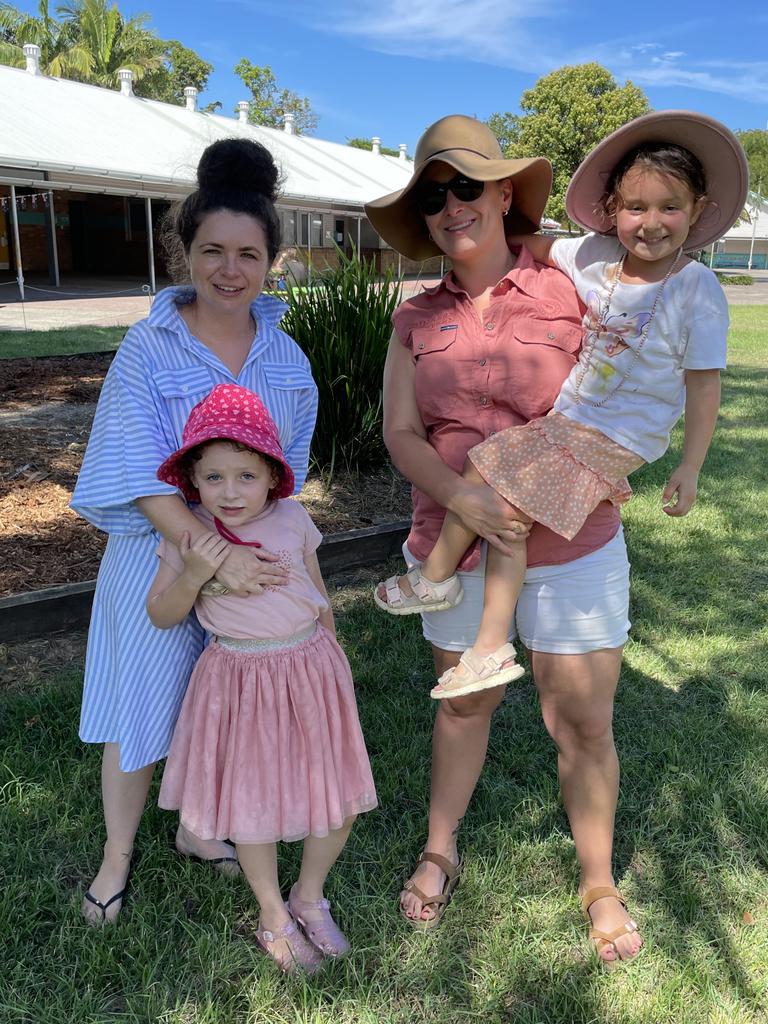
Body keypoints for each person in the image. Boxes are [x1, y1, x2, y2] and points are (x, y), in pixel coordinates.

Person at [365, 113, 646, 963]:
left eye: (467, 186)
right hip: (451, 546)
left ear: (502, 194)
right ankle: (439, 848)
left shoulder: (571, 286)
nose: (454, 206)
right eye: (436, 193)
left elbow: (627, 395)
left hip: (573, 543)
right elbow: (400, 431)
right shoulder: (414, 320)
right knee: (465, 705)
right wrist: (465, 499)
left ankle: (598, 879)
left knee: (583, 723)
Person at [374, 111, 748, 704]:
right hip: (570, 422)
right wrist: (486, 238)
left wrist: (692, 465)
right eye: (635, 208)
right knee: (489, 466)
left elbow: (704, 385)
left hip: (614, 436)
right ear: (613, 210)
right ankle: (448, 591)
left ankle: (471, 624)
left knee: (504, 491)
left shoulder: (694, 289)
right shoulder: (595, 260)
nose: (650, 224)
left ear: (698, 209)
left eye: (669, 208)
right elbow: (541, 243)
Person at [71, 137, 318, 925]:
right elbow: (134, 464)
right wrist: (208, 556)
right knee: (141, 709)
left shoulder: (288, 363)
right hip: (158, 561)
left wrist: (252, 564)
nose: (229, 270)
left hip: (252, 573)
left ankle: (199, 831)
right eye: (211, 249)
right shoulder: (152, 344)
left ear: (271, 259)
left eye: (248, 253)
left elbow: (288, 477)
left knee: (221, 706)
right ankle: (116, 858)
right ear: (186, 250)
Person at [148, 383, 377, 972]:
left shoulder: (294, 518)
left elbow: (316, 590)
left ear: (272, 476)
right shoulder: (191, 535)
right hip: (240, 679)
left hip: (310, 666)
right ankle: (272, 913)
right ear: (192, 480)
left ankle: (309, 895)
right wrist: (197, 571)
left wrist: (333, 647)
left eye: (245, 476)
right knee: (253, 799)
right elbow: (161, 613)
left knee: (336, 792)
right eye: (214, 476)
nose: (229, 491)